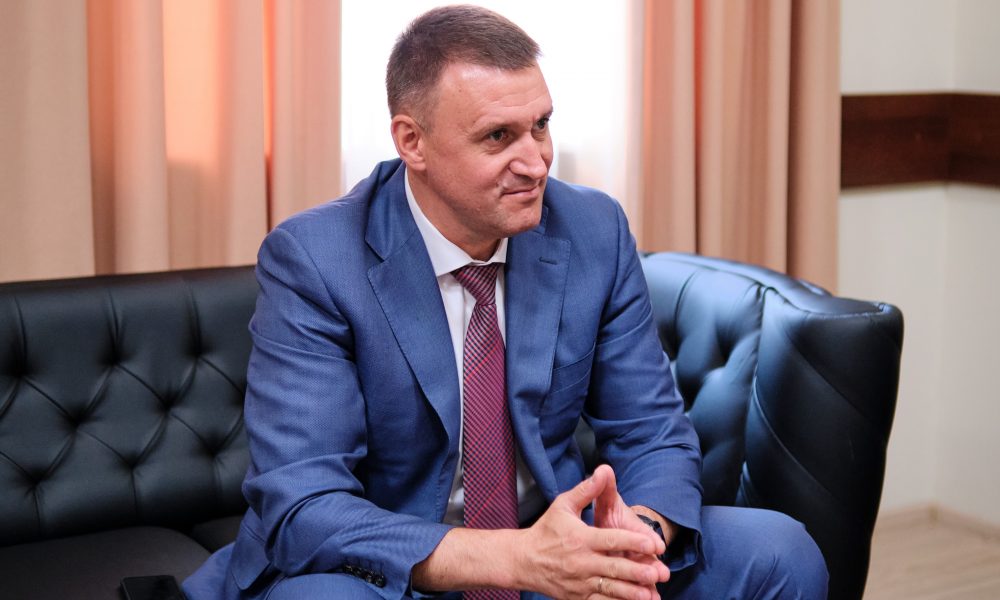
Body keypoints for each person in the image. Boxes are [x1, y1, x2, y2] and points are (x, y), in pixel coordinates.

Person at [183, 5, 828, 600]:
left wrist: (633, 538)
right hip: (399, 572)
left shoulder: (593, 229)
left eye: (541, 125)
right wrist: (515, 558)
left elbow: (650, 431)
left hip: (555, 554)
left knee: (779, 552)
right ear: (412, 142)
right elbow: (305, 504)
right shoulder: (317, 259)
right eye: (498, 137)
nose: (536, 162)